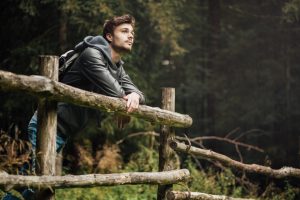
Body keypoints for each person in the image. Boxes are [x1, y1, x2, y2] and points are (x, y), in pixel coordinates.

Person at [3, 14, 145, 200]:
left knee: (27, 184)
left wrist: (134, 96)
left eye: (132, 32)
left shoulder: (117, 66)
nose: (131, 36)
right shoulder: (92, 55)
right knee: (35, 187)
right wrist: (124, 104)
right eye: (124, 31)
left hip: (60, 129)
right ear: (109, 36)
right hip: (48, 124)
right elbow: (115, 91)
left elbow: (137, 94)